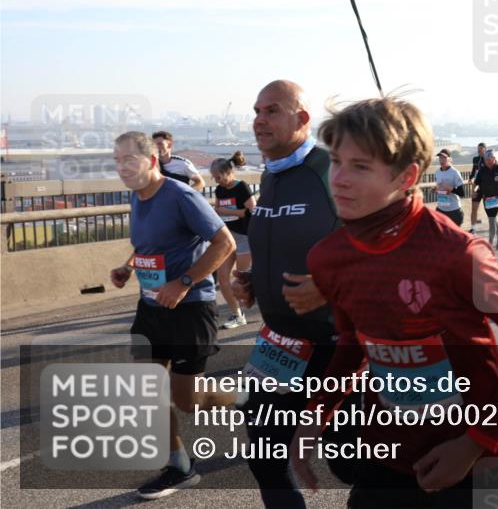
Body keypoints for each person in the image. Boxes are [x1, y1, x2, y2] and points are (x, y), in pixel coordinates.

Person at [290, 96, 498, 507]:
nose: (339, 179)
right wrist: (315, 416)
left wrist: (476, 441)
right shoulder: (329, 257)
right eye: (336, 162)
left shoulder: (457, 253)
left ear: (406, 176)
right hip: (384, 457)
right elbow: (354, 343)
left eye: (360, 166)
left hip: (471, 461)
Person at [230, 80, 350, 508]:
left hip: (336, 347)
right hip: (279, 345)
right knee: (265, 459)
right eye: (256, 111)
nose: (259, 120)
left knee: (352, 464)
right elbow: (288, 242)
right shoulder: (272, 174)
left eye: (272, 111)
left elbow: (381, 248)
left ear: (302, 119)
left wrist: (329, 286)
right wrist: (253, 280)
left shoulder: (332, 169)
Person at [109, 131, 238, 499]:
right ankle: (180, 466)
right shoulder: (137, 195)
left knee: (187, 401)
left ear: (151, 161)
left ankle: (246, 399)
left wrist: (183, 283)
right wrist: (128, 266)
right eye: (117, 161)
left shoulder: (182, 196)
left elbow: (224, 243)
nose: (121, 168)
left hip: (190, 308)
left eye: (129, 160)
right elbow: (148, 244)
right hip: (151, 308)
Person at [210, 152, 255, 329]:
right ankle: (237, 315)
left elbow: (252, 211)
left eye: (218, 177)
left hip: (244, 237)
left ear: (228, 173)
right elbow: (217, 210)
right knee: (223, 278)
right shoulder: (219, 190)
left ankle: (267, 307)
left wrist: (227, 211)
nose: (216, 181)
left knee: (241, 280)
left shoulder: (241, 187)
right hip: (228, 239)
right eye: (214, 178)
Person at [433, 148, 466, 228]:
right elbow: (440, 188)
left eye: (444, 157)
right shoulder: (437, 172)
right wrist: (436, 190)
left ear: (450, 159)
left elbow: (462, 193)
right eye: (440, 158)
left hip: (453, 211)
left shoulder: (455, 172)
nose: (441, 160)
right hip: (441, 209)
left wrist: (450, 188)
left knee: (455, 235)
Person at [468, 143, 488, 234]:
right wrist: (470, 178)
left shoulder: (488, 159)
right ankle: (473, 229)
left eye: (481, 149)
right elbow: (474, 170)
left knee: (489, 210)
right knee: (474, 208)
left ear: (485, 149)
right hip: (477, 187)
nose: (478, 150)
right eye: (478, 149)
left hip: (486, 187)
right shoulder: (475, 159)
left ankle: (495, 224)